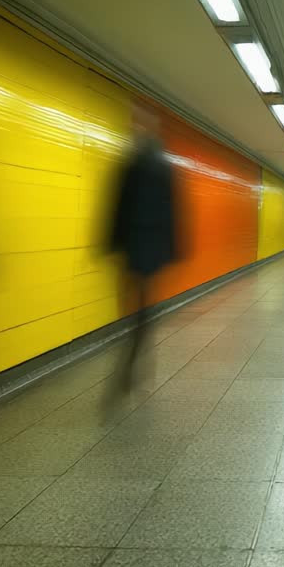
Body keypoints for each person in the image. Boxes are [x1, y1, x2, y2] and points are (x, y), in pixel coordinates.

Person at [105, 103, 179, 402]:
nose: (136, 126)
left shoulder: (153, 164)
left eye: (140, 122)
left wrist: (170, 247)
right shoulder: (134, 161)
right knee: (136, 307)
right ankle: (135, 355)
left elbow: (171, 210)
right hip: (137, 246)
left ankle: (133, 360)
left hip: (145, 246)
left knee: (140, 307)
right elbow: (116, 207)